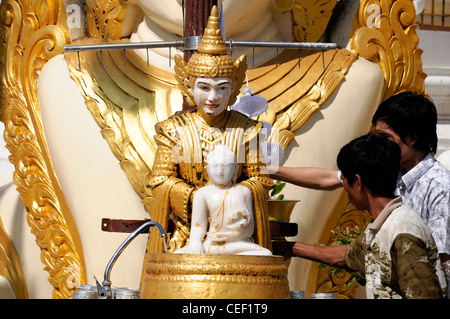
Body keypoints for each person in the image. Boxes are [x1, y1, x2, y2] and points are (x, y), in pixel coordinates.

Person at [145, 6, 273, 256]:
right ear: (188, 87)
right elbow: (159, 180)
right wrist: (199, 197)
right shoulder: (173, 130)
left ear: (233, 89)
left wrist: (230, 196)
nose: (213, 97)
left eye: (222, 88)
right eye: (204, 87)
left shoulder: (248, 130)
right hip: (186, 231)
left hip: (235, 231)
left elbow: (261, 180)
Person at [270, 92, 450, 266]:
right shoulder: (388, 169)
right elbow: (327, 178)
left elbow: (439, 260)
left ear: (412, 138)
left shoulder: (441, 187)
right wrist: (269, 171)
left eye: (386, 138)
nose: (381, 145)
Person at [273, 132, 447, 299]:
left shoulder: (402, 229)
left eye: (345, 182)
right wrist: (290, 249)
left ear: (357, 182)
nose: (345, 189)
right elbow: (349, 256)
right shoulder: (383, 224)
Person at [174, 145, 271, 256]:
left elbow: (250, 229)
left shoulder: (244, 191)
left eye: (225, 166)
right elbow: (198, 225)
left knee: (265, 253)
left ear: (235, 169)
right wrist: (195, 242)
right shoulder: (202, 194)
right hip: (212, 243)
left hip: (238, 244)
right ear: (208, 169)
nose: (220, 171)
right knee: (177, 254)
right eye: (215, 166)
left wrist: (239, 227)